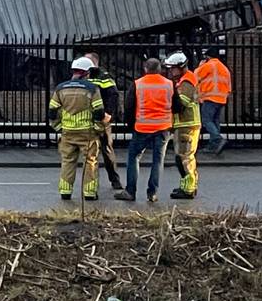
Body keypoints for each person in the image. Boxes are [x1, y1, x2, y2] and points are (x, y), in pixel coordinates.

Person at [116, 58, 182, 202]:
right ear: (160, 70)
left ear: (146, 69)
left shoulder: (138, 84)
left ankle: (130, 191)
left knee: (134, 158)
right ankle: (152, 193)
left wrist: (130, 125)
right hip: (163, 127)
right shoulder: (169, 84)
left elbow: (129, 107)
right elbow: (178, 107)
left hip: (142, 127)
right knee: (158, 160)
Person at [50, 57, 106, 201]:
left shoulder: (60, 88)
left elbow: (52, 111)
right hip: (87, 133)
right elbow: (99, 112)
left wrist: (58, 127)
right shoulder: (92, 88)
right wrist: (98, 129)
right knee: (90, 161)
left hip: (67, 132)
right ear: (87, 73)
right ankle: (89, 193)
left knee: (67, 161)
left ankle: (65, 191)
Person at [163, 52, 200, 199]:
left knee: (183, 157)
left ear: (181, 67)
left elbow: (180, 104)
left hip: (187, 124)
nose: (170, 71)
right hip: (185, 124)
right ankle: (188, 186)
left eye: (173, 68)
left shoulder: (186, 82)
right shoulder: (184, 80)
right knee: (185, 157)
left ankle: (188, 189)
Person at [84, 52, 123, 190]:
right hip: (87, 119)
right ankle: (91, 183)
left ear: (95, 62)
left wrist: (109, 115)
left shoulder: (104, 77)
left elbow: (113, 95)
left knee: (106, 149)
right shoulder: (83, 75)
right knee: (89, 153)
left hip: (101, 119)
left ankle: (115, 179)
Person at [196, 49, 231, 155]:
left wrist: (200, 65)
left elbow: (195, 76)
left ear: (208, 57)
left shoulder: (209, 65)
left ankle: (217, 139)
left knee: (206, 120)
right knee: (215, 121)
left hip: (210, 97)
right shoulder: (224, 68)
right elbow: (229, 86)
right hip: (221, 98)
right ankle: (213, 146)